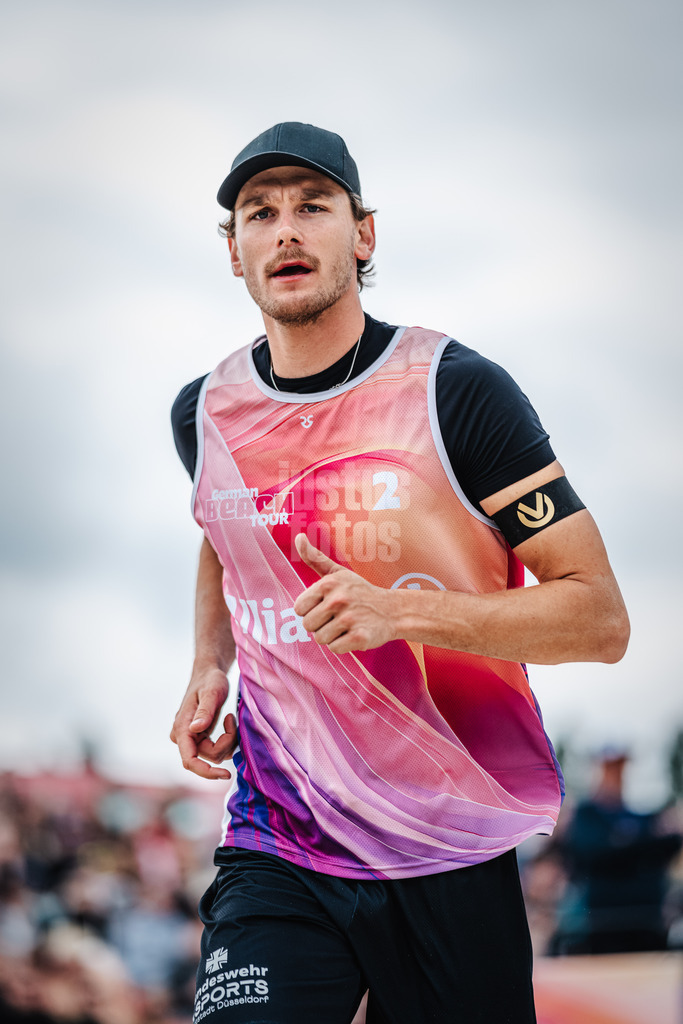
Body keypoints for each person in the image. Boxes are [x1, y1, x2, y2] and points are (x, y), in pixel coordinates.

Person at [170, 122, 630, 1024]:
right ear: (235, 252)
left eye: (313, 206)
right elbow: (220, 526)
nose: (286, 230)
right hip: (279, 839)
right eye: (260, 214)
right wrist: (208, 663)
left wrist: (402, 616)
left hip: (446, 840)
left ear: (363, 234)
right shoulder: (205, 412)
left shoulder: (454, 390)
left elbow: (598, 620)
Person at [550, 746, 681, 956]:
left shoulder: (641, 816)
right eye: (609, 767)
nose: (615, 774)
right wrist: (643, 847)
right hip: (601, 925)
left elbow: (671, 843)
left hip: (645, 922)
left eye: (620, 767)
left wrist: (625, 846)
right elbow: (594, 855)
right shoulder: (587, 815)